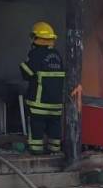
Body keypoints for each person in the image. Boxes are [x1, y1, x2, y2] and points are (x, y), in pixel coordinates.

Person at [20, 21, 81, 155]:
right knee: (54, 127)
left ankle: (36, 151)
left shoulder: (35, 54)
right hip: (56, 103)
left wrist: (22, 65)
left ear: (35, 38)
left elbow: (27, 73)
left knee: (37, 126)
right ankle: (54, 150)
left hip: (39, 103)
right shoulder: (57, 56)